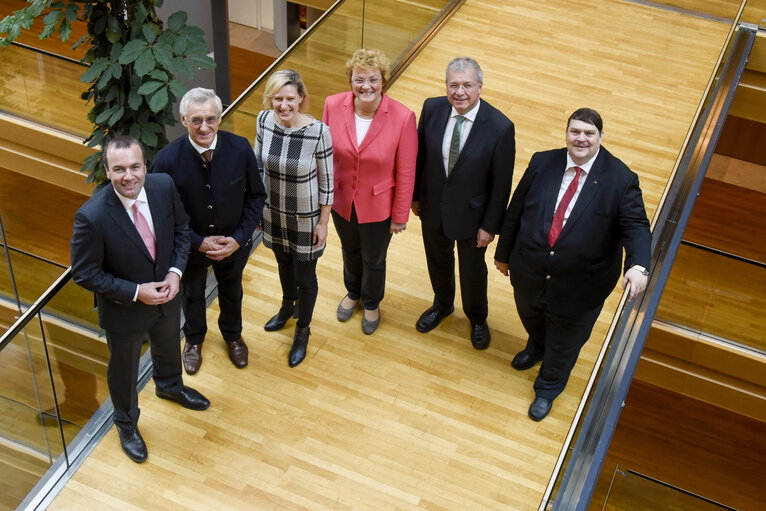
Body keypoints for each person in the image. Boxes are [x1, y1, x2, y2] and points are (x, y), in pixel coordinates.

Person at [494, 108, 652, 421]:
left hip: (581, 286)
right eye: (575, 132)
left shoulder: (621, 179)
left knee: (565, 344)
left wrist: (638, 266)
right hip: (530, 272)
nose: (581, 139)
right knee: (532, 316)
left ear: (601, 137)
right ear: (567, 134)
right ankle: (537, 346)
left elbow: (635, 226)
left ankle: (548, 387)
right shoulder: (543, 162)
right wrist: (503, 253)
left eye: (589, 133)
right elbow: (516, 209)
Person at [71, 136, 210, 463]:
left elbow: (182, 229)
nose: (128, 175)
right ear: (107, 170)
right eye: (119, 169)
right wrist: (136, 292)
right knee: (124, 368)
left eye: (135, 166)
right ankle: (126, 423)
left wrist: (175, 272)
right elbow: (85, 274)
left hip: (167, 293)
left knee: (167, 343)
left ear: (145, 166)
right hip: (124, 312)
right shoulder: (91, 217)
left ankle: (170, 386)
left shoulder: (162, 186)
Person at [151, 87, 266, 375]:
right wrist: (197, 243)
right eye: (196, 120)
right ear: (183, 119)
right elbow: (160, 215)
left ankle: (233, 336)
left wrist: (239, 240)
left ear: (220, 117)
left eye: (211, 119)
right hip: (189, 250)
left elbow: (256, 196)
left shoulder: (240, 148)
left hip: (233, 245)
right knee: (191, 294)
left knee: (232, 291)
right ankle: (193, 341)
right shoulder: (165, 161)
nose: (205, 127)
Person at [412, 57, 515, 349]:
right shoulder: (432, 108)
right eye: (453, 85)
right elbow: (420, 157)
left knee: (472, 270)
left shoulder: (500, 127)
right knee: (437, 260)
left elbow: (501, 185)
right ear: (446, 86)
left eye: (467, 85)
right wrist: (416, 197)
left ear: (480, 87)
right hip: (433, 207)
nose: (460, 92)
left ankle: (477, 318)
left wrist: (490, 226)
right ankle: (442, 305)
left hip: (473, 217)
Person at [322, 48, 417, 335]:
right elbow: (322, 155)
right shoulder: (332, 104)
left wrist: (400, 215)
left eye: (373, 79)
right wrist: (321, 200)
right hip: (341, 201)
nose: (366, 86)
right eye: (359, 79)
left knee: (373, 258)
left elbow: (406, 171)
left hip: (378, 207)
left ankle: (372, 302)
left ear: (383, 81)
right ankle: (353, 293)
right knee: (349, 251)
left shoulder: (403, 117)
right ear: (350, 81)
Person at [254, 70, 333, 367]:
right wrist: (256, 209)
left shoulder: (319, 132)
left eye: (290, 98)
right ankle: (288, 306)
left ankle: (303, 331)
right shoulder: (263, 121)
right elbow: (257, 167)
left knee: (305, 275)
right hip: (273, 212)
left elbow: (327, 182)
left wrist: (323, 222)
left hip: (305, 218)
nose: (284, 105)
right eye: (278, 99)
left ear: (301, 98)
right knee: (282, 262)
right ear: (271, 99)